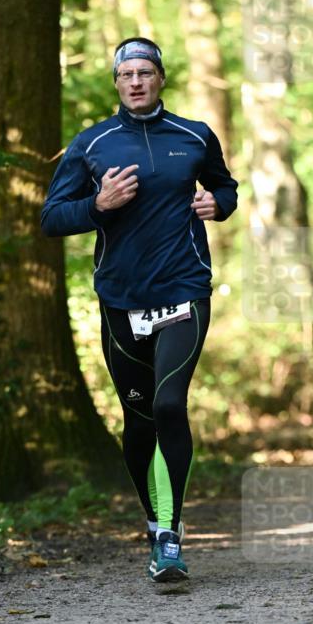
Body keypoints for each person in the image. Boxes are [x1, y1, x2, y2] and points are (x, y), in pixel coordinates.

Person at [41, 37, 238, 583]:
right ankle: (155, 523)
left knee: (170, 403)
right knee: (139, 417)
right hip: (121, 300)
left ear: (161, 77)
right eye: (126, 73)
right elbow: (52, 218)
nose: (135, 81)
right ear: (116, 82)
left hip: (184, 290)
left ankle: (171, 538)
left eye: (145, 71)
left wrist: (218, 204)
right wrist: (97, 206)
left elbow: (225, 186)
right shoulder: (92, 145)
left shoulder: (195, 136)